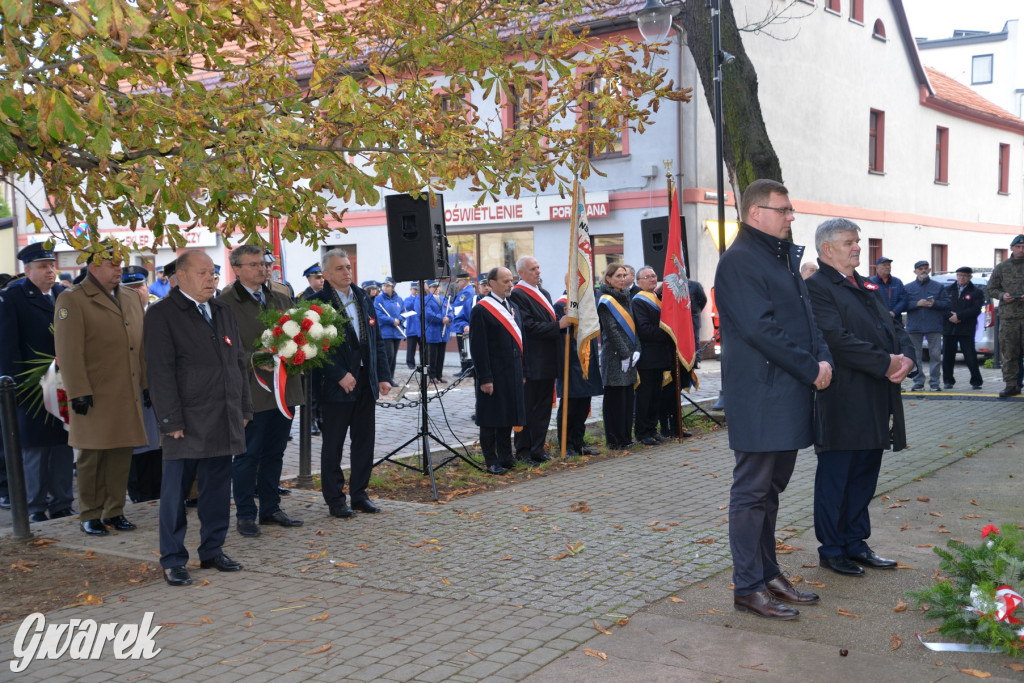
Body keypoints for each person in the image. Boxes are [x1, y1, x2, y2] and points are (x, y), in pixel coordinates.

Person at [714, 179, 832, 620]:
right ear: (755, 212)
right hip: (761, 396)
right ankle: (747, 586)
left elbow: (806, 319)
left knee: (770, 491)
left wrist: (823, 359)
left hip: (784, 393)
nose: (790, 217)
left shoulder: (779, 257)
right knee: (751, 492)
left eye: (790, 209)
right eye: (782, 210)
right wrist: (810, 367)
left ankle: (766, 573)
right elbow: (762, 330)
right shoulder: (740, 261)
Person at [805, 218, 914, 577]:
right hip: (843, 398)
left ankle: (855, 542)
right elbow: (836, 340)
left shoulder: (865, 284)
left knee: (865, 473)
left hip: (876, 396)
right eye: (850, 242)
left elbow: (894, 325)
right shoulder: (818, 287)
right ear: (827, 249)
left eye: (857, 241)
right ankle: (832, 548)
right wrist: (885, 363)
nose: (857, 247)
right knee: (838, 475)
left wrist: (907, 357)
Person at [144, 250, 252, 586]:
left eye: (214, 272)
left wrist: (244, 407)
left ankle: (212, 550)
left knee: (217, 489)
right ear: (181, 276)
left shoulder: (222, 310)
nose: (211, 279)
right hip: (186, 420)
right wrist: (170, 420)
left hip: (223, 415)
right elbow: (160, 372)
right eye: (204, 273)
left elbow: (237, 363)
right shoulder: (162, 314)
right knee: (175, 493)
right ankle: (173, 559)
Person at [54, 243, 149, 536]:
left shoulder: (131, 297)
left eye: (120, 264)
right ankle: (91, 514)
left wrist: (146, 384)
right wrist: (78, 391)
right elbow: (69, 351)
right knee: (92, 456)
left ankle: (115, 510)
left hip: (126, 389)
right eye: (112, 264)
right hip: (94, 392)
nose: (119, 269)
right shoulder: (74, 299)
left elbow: (141, 346)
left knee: (121, 452)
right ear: (94, 267)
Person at [218, 244, 305, 536]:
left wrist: (301, 352)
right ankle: (245, 514)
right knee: (247, 455)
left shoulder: (279, 297)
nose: (262, 269)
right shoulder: (225, 302)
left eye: (265, 264)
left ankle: (270, 507)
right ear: (238, 269)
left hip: (283, 390)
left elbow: (295, 334)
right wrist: (253, 359)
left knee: (275, 453)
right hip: (251, 392)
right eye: (254, 264)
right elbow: (222, 349)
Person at [310, 249, 392, 517]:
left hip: (365, 383)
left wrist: (382, 375)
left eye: (348, 267)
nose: (347, 272)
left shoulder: (361, 297)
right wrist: (339, 374)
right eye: (339, 269)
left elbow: (376, 337)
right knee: (333, 445)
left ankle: (359, 495)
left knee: (364, 442)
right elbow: (315, 348)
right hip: (336, 386)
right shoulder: (316, 302)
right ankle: (335, 500)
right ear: (326, 274)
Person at [0, 243, 75, 523]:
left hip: (63, 384)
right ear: (27, 270)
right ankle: (34, 506)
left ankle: (62, 502)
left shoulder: (62, 295)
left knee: (63, 444)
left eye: (52, 265)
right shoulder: (14, 297)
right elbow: (8, 346)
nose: (50, 271)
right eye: (43, 266)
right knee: (35, 449)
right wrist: (14, 389)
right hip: (32, 388)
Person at [509, 256, 569, 463]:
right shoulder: (517, 294)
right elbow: (528, 327)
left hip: (549, 359)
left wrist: (561, 322)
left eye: (538, 268)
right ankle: (524, 451)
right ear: (522, 273)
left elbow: (550, 321)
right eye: (533, 269)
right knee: (528, 407)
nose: (538, 272)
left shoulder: (543, 292)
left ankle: (538, 449)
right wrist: (558, 326)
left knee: (543, 408)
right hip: (532, 361)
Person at [470, 267, 526, 474]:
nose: (510, 285)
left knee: (507, 416)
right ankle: (491, 460)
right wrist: (485, 377)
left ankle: (505, 456)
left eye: (511, 280)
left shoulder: (512, 306)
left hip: (512, 370)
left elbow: (522, 342)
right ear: (491, 283)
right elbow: (478, 347)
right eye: (505, 281)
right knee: (491, 418)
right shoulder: (482, 309)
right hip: (493, 372)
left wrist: (523, 370)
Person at [122, 266, 163, 503]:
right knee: (138, 446)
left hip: (161, 389)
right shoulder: (121, 316)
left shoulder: (159, 311)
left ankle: (159, 491)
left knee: (159, 445)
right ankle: (140, 494)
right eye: (129, 289)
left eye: (139, 286)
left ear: (147, 288)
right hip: (136, 390)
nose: (136, 292)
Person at [598, 263, 640, 449]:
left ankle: (626, 437)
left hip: (629, 354)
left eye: (624, 275)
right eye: (618, 276)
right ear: (608, 278)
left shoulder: (626, 296)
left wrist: (637, 349)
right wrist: (624, 353)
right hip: (615, 355)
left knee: (626, 398)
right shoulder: (606, 300)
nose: (623, 279)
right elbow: (611, 330)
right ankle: (615, 439)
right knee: (615, 398)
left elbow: (634, 326)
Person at [631, 266, 671, 446]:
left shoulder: (656, 297)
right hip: (647, 356)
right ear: (638, 282)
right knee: (645, 396)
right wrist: (668, 333)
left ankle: (653, 429)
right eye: (647, 277)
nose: (652, 279)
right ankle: (642, 432)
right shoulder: (638, 301)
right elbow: (644, 329)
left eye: (654, 276)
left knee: (656, 395)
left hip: (660, 355)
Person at [987, 234, 1024, 398]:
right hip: (1009, 318)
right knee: (1009, 354)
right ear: (1012, 248)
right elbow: (991, 289)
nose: (1021, 250)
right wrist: (1003, 295)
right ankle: (1011, 385)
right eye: (1018, 247)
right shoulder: (1002, 267)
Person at [904, 260, 949, 392]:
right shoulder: (908, 288)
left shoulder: (938, 287)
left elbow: (947, 303)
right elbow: (903, 305)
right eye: (920, 269)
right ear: (915, 272)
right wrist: (917, 304)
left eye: (925, 268)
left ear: (929, 270)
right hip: (914, 327)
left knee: (935, 355)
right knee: (915, 356)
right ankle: (918, 382)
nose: (923, 271)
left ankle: (934, 383)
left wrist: (935, 303)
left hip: (934, 326)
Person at [942, 266, 984, 390]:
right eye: (959, 275)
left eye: (964, 275)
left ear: (970, 277)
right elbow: (942, 306)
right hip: (949, 327)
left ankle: (976, 381)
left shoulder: (976, 291)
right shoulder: (948, 290)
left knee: (970, 356)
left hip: (966, 328)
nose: (961, 277)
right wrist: (950, 316)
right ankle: (948, 381)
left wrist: (959, 316)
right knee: (948, 356)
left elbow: (976, 309)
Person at [374, 277, 405, 384]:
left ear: (393, 287)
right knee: (388, 355)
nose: (385, 288)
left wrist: (400, 320)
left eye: (387, 286)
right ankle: (385, 378)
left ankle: (390, 377)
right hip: (386, 332)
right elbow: (378, 314)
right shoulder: (379, 299)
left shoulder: (399, 299)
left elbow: (403, 312)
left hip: (397, 332)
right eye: (384, 286)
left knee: (394, 356)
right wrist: (392, 320)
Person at [423, 280, 451, 383]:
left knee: (441, 355)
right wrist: (441, 319)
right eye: (434, 287)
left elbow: (450, 310)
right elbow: (429, 314)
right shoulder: (427, 299)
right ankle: (432, 375)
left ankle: (439, 375)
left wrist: (449, 318)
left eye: (438, 287)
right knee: (432, 356)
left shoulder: (444, 299)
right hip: (433, 331)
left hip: (443, 332)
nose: (437, 289)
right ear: (430, 289)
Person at [451, 274, 477, 377]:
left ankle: (466, 369)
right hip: (462, 322)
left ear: (464, 281)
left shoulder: (467, 292)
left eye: (459, 282)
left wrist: (449, 310)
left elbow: (458, 306)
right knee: (463, 347)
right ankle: (465, 368)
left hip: (463, 323)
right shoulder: (466, 291)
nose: (457, 284)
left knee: (464, 347)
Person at [404, 283, 421, 370]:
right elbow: (409, 306)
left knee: (422, 347)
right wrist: (417, 299)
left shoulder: (421, 298)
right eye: (414, 290)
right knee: (411, 347)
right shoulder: (408, 299)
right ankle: (410, 363)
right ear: (411, 290)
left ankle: (423, 363)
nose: (416, 291)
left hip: (420, 328)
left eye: (417, 290)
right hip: (411, 327)